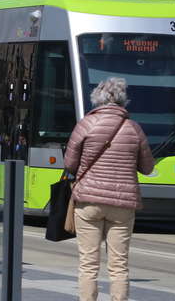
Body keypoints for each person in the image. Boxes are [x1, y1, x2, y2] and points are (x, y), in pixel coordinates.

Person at [63, 77, 154, 301]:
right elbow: (148, 167)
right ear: (123, 101)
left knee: (88, 264)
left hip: (89, 202)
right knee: (119, 265)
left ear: (98, 100)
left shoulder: (85, 124)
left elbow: (69, 164)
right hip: (122, 205)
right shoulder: (133, 129)